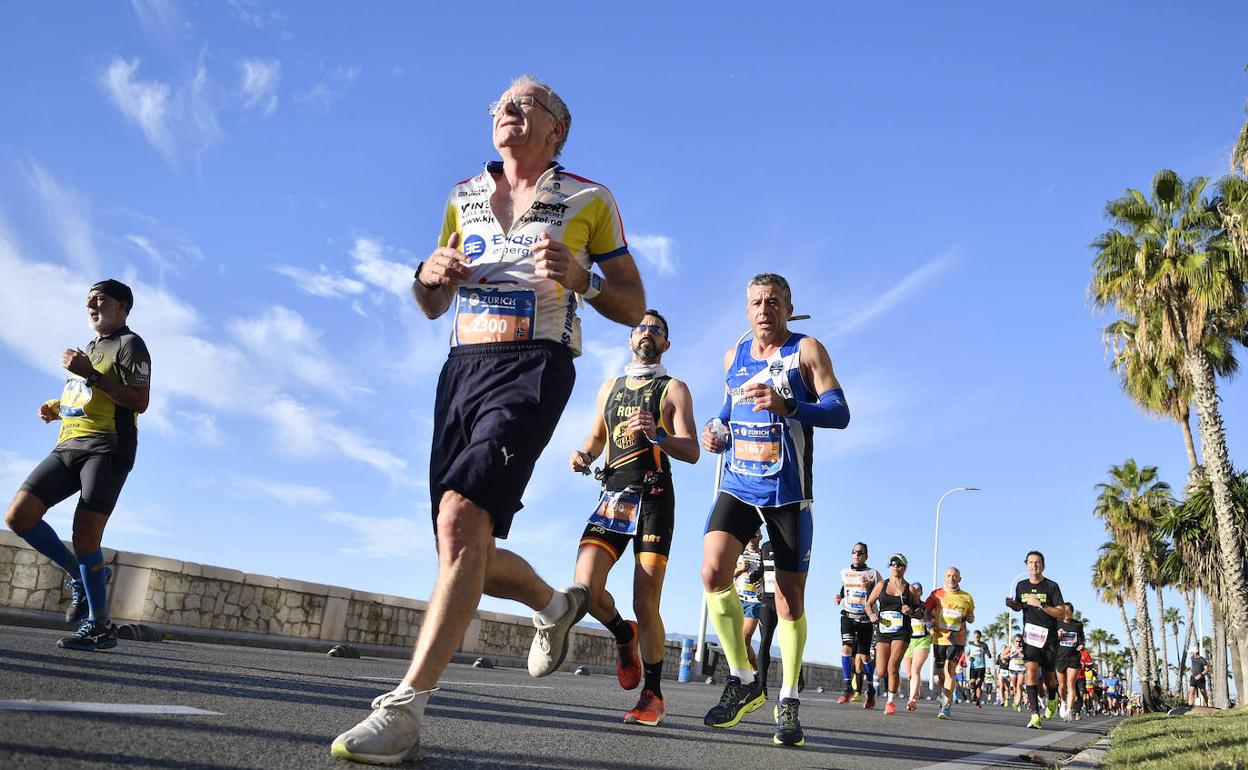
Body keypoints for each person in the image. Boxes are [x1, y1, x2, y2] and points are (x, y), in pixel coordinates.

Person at [331, 75, 646, 764]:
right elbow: (430, 305)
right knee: (458, 549)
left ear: (556, 128)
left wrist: (582, 279)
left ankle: (405, 708)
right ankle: (551, 604)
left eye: (522, 103)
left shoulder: (590, 198)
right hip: (461, 368)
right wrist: (427, 274)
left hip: (534, 365)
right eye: (498, 104)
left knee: (459, 520)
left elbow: (633, 304)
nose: (504, 110)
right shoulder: (461, 196)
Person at [699, 272, 849, 748]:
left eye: (773, 302)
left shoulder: (807, 351)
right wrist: (713, 430)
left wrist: (790, 407)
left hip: (788, 492)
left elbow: (840, 412)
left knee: (788, 600)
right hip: (739, 484)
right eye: (756, 302)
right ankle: (744, 679)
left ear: (787, 308)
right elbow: (726, 411)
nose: (764, 309)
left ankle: (787, 699)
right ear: (747, 311)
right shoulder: (734, 357)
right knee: (712, 572)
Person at [5, 280, 150, 652]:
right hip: (68, 445)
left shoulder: (130, 344)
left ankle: (100, 626)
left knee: (86, 536)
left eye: (99, 298)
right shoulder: (88, 348)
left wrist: (91, 374)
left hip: (108, 447)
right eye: (88, 299)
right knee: (19, 516)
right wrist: (58, 407)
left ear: (122, 307)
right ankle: (81, 576)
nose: (91, 303)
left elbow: (138, 400)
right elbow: (89, 395)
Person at [569, 310, 698, 726]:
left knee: (646, 601)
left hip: (655, 497)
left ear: (666, 344)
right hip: (613, 496)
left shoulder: (673, 389)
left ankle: (653, 695)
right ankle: (623, 635)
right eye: (641, 328)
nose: (648, 333)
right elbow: (597, 434)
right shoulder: (610, 386)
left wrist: (659, 435)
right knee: (586, 587)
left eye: (657, 330)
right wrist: (584, 455)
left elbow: (692, 450)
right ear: (630, 339)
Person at [1006, 551, 1065, 729]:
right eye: (1031, 562)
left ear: (1043, 565)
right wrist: (1012, 604)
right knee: (1030, 672)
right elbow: (1019, 606)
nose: (1034, 566)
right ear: (1027, 565)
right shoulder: (1021, 585)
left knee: (1049, 679)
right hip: (1030, 636)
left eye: (1037, 562)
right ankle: (1034, 715)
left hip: (1049, 637)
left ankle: (1053, 699)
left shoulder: (1051, 586)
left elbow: (1061, 612)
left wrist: (1041, 604)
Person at [865, 553, 921, 715]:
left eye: (899, 564)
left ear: (904, 567)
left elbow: (919, 612)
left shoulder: (909, 589)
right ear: (889, 566)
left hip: (901, 632)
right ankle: (891, 686)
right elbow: (868, 604)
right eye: (893, 564)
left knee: (892, 666)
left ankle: (890, 702)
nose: (896, 567)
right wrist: (871, 615)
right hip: (883, 631)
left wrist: (910, 611)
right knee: (882, 670)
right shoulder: (881, 585)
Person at [924, 566, 975, 720]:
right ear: (944, 578)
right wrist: (930, 626)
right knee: (940, 675)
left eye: (954, 576)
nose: (951, 578)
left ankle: (946, 706)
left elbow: (971, 615)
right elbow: (926, 612)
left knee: (949, 669)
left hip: (957, 639)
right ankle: (944, 694)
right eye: (948, 575)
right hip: (939, 638)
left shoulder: (966, 597)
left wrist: (971, 618)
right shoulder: (936, 594)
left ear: (959, 579)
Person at [836, 542, 883, 707]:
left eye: (860, 553)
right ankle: (847, 687)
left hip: (865, 618)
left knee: (864, 657)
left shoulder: (873, 573)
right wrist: (839, 596)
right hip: (848, 615)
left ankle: (870, 690)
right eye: (854, 552)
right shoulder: (844, 572)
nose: (857, 555)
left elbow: (881, 593)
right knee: (846, 648)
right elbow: (845, 587)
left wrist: (869, 587)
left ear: (866, 556)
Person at [735, 532, 765, 674]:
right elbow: (727, 574)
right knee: (740, 640)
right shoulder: (739, 554)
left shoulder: (763, 556)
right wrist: (739, 569)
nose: (751, 538)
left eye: (755, 535)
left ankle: (750, 671)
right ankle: (753, 672)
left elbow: (772, 576)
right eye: (750, 535)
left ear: (760, 537)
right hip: (737, 599)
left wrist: (764, 579)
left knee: (745, 637)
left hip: (754, 601)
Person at [1054, 602, 1085, 722]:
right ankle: (1062, 701)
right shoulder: (1057, 623)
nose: (1066, 614)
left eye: (1069, 611)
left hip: (1073, 657)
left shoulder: (1077, 624)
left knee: (1070, 683)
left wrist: (1082, 645)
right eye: (1064, 612)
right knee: (1061, 686)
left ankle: (1069, 710)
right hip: (1060, 657)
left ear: (1072, 612)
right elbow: (1051, 641)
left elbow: (1082, 639)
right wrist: (1057, 636)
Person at [903, 581, 931, 711]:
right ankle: (916, 689)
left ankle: (911, 699)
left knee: (915, 670)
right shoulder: (904, 606)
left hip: (922, 640)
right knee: (909, 674)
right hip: (908, 641)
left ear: (921, 592)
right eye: (913, 589)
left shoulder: (925, 606)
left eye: (918, 589)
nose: (915, 591)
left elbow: (930, 619)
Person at [965, 630, 990, 708]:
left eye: (978, 637)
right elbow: (967, 654)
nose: (977, 638)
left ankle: (978, 702)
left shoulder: (983, 645)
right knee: (972, 682)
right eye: (975, 637)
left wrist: (988, 654)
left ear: (980, 637)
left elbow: (989, 654)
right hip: (973, 667)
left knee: (979, 683)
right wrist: (968, 657)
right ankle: (973, 690)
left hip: (981, 667)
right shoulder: (970, 644)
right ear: (974, 637)